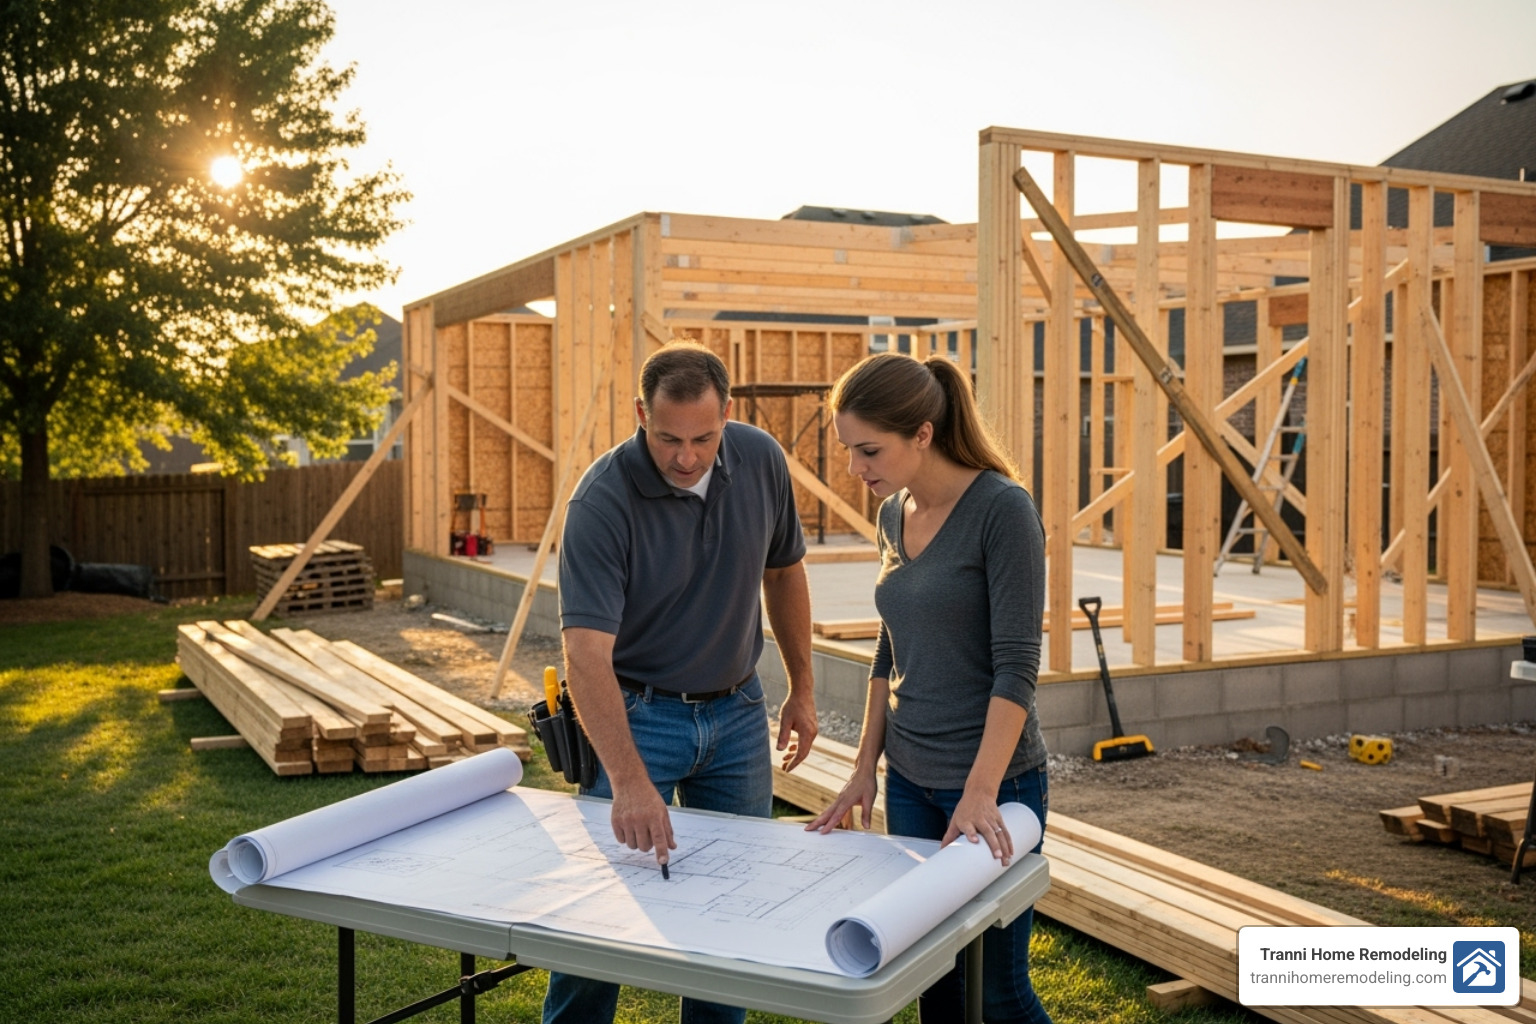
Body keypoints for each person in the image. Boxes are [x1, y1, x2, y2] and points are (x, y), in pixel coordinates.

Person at [543, 341, 820, 1024]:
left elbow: (783, 572)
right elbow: (584, 656)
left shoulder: (758, 458)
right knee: (602, 915)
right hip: (638, 713)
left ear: (728, 412)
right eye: (668, 437)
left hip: (737, 715)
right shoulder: (601, 501)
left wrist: (803, 687)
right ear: (641, 413)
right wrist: (631, 782)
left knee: (730, 912)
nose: (686, 456)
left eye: (702, 436)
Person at [806, 351, 1052, 1024]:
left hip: (993, 788)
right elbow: (890, 644)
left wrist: (979, 793)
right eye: (849, 451)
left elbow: (1017, 666)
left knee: (998, 994)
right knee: (936, 986)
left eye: (869, 450)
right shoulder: (896, 511)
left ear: (922, 433)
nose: (856, 470)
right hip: (911, 783)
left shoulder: (1003, 511)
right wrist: (864, 769)